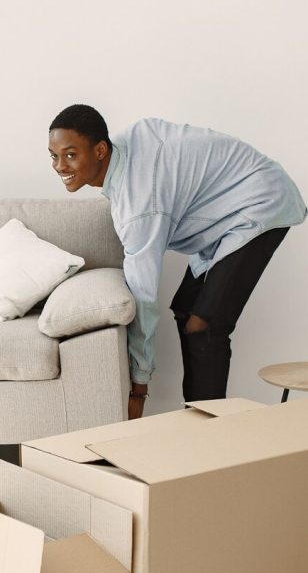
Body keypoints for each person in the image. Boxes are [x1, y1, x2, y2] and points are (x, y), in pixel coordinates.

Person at [47, 104, 306, 419]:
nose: (60, 166)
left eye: (70, 155)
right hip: (221, 212)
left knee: (205, 326)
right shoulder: (122, 157)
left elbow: (143, 298)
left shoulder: (139, 204)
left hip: (261, 201)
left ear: (100, 150)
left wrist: (138, 386)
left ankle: (209, 437)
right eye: (54, 156)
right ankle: (194, 419)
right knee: (184, 311)